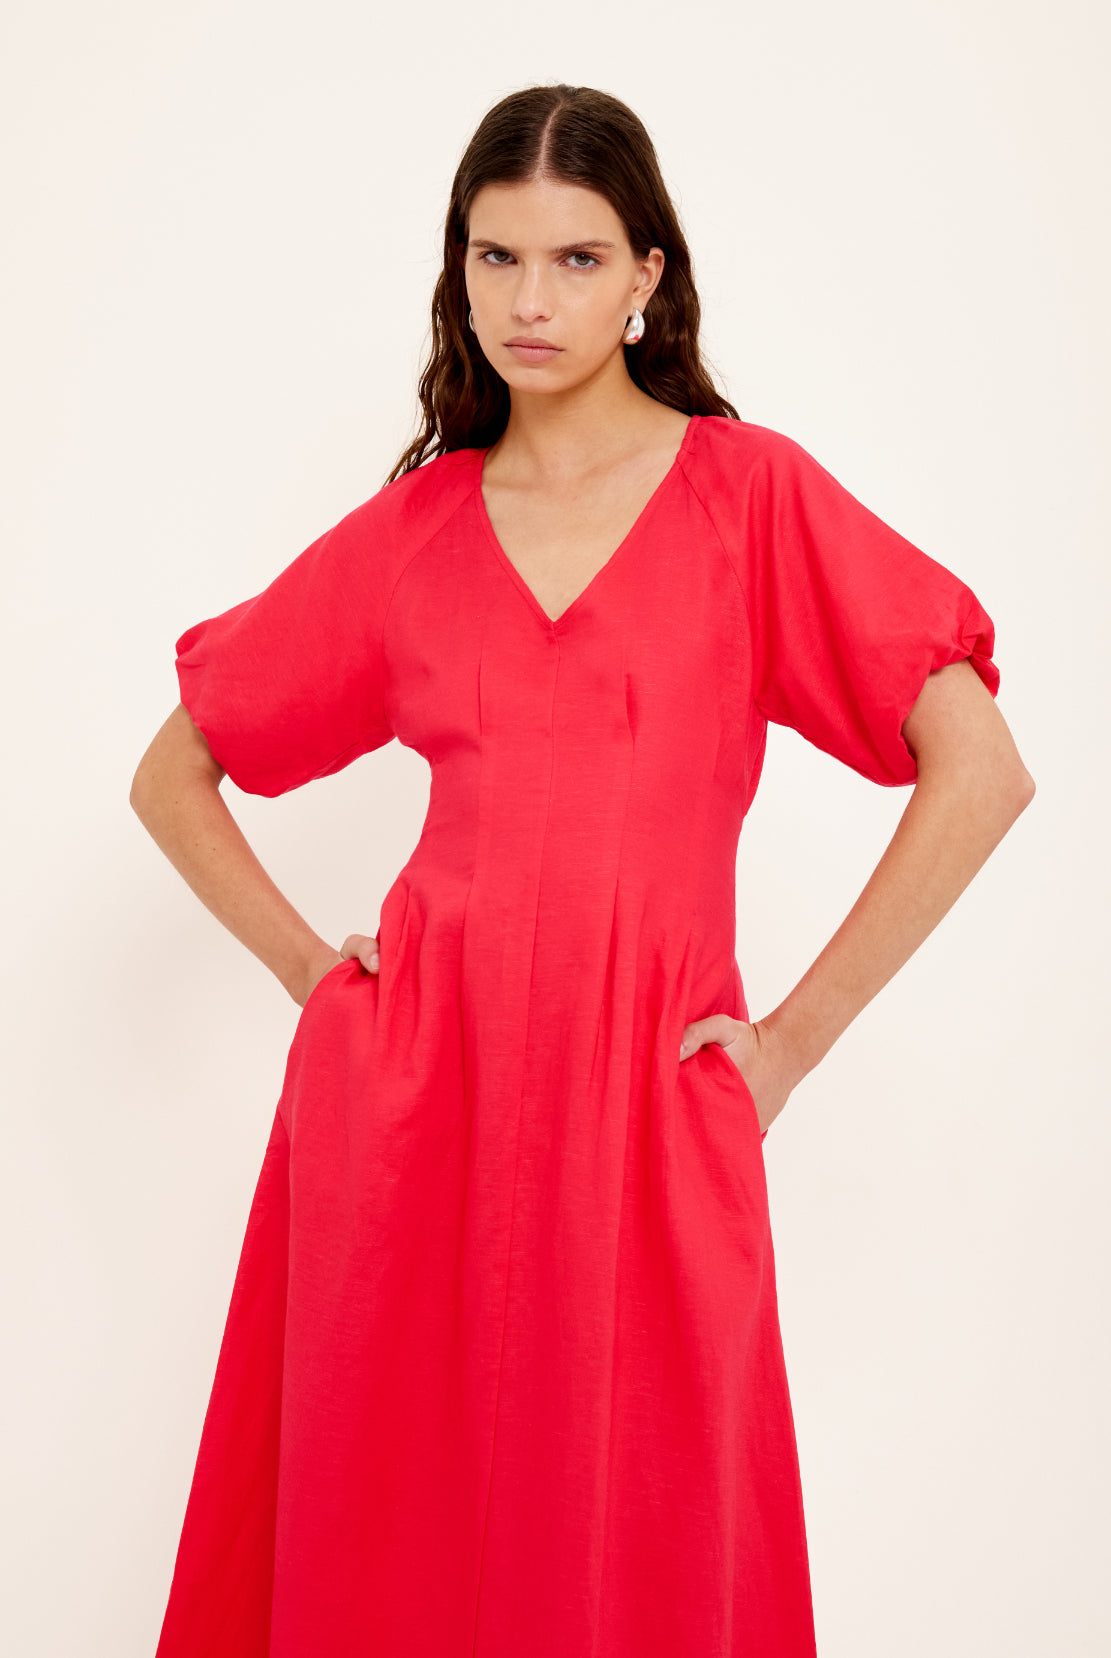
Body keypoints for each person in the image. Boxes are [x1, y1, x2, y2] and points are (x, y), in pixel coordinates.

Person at [131, 82, 1034, 1658]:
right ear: (457, 271)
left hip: (647, 1101)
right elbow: (176, 768)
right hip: (416, 1111)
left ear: (648, 280)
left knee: (653, 1535)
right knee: (389, 1535)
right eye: (495, 259)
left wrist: (791, 1044)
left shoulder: (752, 502)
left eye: (573, 258)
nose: (528, 301)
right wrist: (313, 977)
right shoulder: (415, 531)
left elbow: (982, 768)